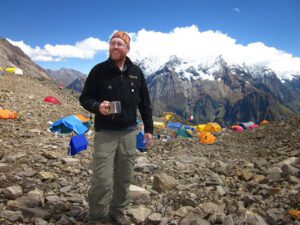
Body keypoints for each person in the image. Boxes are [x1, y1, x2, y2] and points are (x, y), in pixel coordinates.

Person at [79, 31, 153, 225]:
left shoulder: (136, 72)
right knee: (102, 180)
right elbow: (85, 98)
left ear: (127, 48)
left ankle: (117, 212)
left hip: (129, 132)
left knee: (124, 177)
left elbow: (145, 102)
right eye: (112, 43)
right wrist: (97, 107)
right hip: (106, 133)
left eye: (120, 44)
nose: (115, 46)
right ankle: (96, 217)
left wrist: (149, 129)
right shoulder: (98, 70)